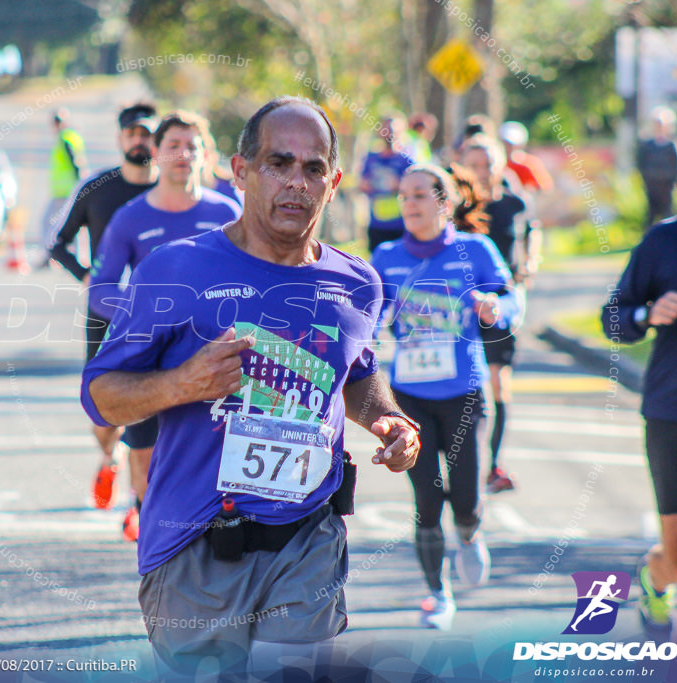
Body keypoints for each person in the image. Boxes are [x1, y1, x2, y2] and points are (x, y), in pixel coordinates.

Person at [81, 96, 420, 679]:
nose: (296, 182)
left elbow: (357, 374)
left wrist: (389, 420)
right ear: (240, 172)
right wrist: (182, 382)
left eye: (313, 169)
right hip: (194, 547)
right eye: (277, 163)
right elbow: (101, 394)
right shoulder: (175, 269)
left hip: (307, 541)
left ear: (333, 182)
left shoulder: (357, 282)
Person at [371, 164, 518, 630]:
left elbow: (510, 300)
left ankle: (471, 532)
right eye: (403, 195)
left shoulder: (475, 250)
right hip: (410, 396)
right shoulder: (387, 256)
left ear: (443, 201)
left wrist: (496, 309)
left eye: (419, 195)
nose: (409, 204)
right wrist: (370, 329)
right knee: (427, 498)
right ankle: (437, 593)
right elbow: (369, 314)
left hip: (465, 393)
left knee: (467, 496)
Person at [88, 111, 242, 541]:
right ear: (156, 153)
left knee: (216, 466)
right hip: (151, 363)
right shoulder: (130, 217)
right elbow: (100, 288)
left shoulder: (227, 212)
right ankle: (155, 537)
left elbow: (255, 277)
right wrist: (146, 314)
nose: (182, 154)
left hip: (218, 360)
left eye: (191, 146)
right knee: (146, 465)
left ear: (205, 155)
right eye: (173, 145)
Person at [601, 189, 677, 639]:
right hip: (674, 413)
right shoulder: (665, 241)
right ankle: (655, 579)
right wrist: (647, 312)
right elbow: (612, 317)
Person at [47, 102, 159, 510]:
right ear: (120, 139)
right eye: (132, 134)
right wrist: (85, 275)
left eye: (146, 133)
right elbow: (57, 242)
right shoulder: (98, 189)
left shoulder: (170, 192)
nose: (138, 140)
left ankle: (138, 503)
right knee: (103, 412)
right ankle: (109, 455)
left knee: (152, 408)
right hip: (106, 314)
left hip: (159, 318)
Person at [460, 136, 539, 494]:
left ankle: (492, 466)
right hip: (461, 309)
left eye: (488, 164)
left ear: (500, 165)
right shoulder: (455, 209)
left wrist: (530, 262)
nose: (482, 172)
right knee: (464, 387)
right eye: (474, 165)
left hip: (501, 306)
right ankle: (459, 462)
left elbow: (530, 231)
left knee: (498, 386)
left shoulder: (513, 202)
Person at [359, 113, 415, 251]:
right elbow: (363, 184)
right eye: (386, 130)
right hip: (377, 224)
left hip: (402, 225)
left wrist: (399, 186)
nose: (389, 134)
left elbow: (414, 187)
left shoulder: (406, 160)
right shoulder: (371, 158)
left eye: (393, 130)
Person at [41, 109, 88, 247]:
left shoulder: (65, 138)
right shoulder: (71, 136)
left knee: (48, 222)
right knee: (72, 223)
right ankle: (70, 254)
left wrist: (81, 185)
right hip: (65, 190)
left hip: (67, 191)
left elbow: (76, 162)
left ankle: (49, 253)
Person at [636, 107, 677, 229]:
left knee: (668, 215)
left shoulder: (670, 146)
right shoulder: (647, 146)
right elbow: (641, 164)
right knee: (650, 216)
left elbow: (675, 166)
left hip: (666, 187)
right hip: (651, 187)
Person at [499, 121, 554, 195]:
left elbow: (545, 189)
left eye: (511, 144)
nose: (508, 147)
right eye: (505, 143)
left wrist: (526, 190)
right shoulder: (496, 163)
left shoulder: (530, 164)